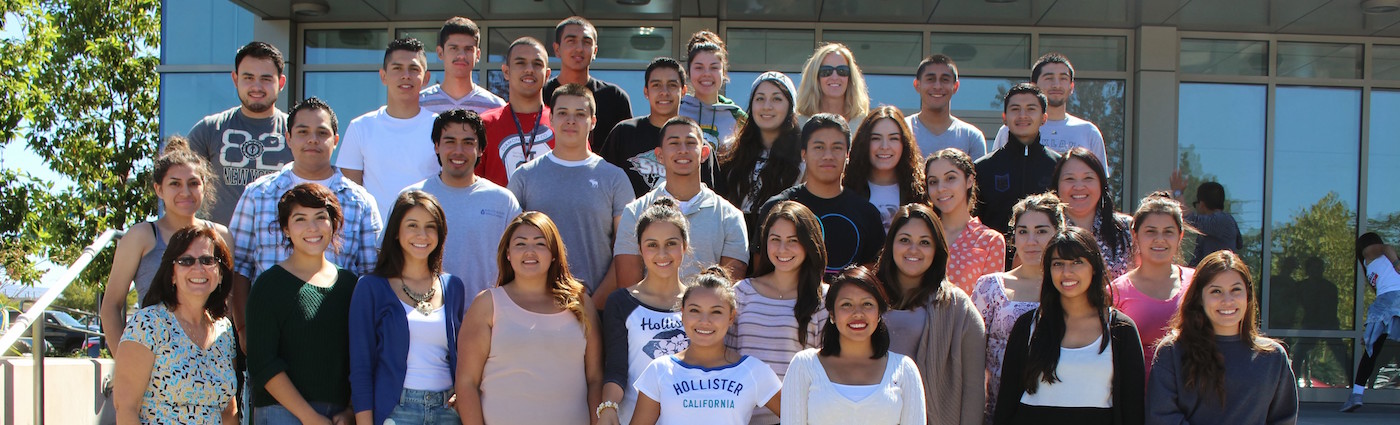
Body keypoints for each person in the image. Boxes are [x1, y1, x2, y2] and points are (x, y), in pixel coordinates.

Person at [229, 97, 383, 347]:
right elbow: (240, 266)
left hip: (337, 341)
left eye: (322, 132)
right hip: (269, 337)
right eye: (303, 132)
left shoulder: (360, 200)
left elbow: (371, 274)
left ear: (335, 139)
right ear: (288, 138)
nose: (312, 139)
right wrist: (244, 328)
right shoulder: (258, 194)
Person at [456, 212, 603, 425]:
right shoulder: (487, 304)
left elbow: (595, 379)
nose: (530, 251)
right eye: (520, 244)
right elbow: (466, 383)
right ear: (508, 253)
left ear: (554, 252)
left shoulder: (581, 303)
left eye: (540, 244)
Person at [994, 227, 1144, 425]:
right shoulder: (1027, 326)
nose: (1067, 272)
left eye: (1077, 262)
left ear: (1094, 267)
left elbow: (1133, 410)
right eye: (1058, 264)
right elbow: (1006, 404)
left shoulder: (1121, 330)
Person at [347, 191, 467, 425]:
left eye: (430, 226)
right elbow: (360, 367)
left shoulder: (454, 286)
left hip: (448, 411)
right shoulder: (370, 287)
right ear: (395, 232)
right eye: (412, 225)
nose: (422, 235)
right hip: (396, 411)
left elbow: (462, 357)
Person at [102, 137, 232, 351]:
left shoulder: (221, 236)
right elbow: (111, 306)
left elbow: (227, 306)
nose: (185, 192)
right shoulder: (142, 236)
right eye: (175, 184)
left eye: (193, 183)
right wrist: (125, 363)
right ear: (159, 189)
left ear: (204, 187)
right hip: (152, 358)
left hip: (208, 358)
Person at [246, 183, 357, 424]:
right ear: (285, 228)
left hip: (338, 416)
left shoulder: (350, 285)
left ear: (333, 224)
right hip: (281, 413)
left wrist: (350, 410)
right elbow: (262, 362)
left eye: (321, 217)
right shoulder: (269, 285)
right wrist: (309, 417)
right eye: (300, 219)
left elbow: (359, 356)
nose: (312, 227)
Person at [1147, 250, 1297, 424]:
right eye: (1216, 291)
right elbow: (1162, 416)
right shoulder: (1172, 352)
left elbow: (1283, 420)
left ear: (1248, 295)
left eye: (1236, 290)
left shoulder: (1273, 357)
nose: (1228, 300)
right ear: (1199, 298)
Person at [508, 83, 632, 294]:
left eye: (580, 114)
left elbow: (626, 249)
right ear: (552, 119)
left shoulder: (614, 178)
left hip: (595, 304)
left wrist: (596, 304)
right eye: (563, 113)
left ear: (592, 122)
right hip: (535, 304)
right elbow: (510, 246)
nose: (571, 120)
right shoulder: (525, 177)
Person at [611, 117, 748, 304]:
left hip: (706, 326)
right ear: (659, 155)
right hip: (648, 325)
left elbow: (727, 296)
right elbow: (628, 292)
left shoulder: (731, 217)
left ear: (705, 153)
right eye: (674, 143)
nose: (683, 150)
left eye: (691, 143)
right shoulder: (635, 212)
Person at [113, 224, 237, 424]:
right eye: (186, 261)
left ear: (220, 273)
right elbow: (126, 408)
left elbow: (228, 412)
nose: (198, 268)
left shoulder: (224, 330)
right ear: (171, 273)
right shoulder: (148, 324)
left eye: (207, 260)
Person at [876, 204, 985, 425]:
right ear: (891, 245)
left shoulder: (958, 307)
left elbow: (973, 389)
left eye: (924, 242)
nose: (913, 249)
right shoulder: (866, 296)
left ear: (937, 250)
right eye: (904, 240)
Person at [630, 266, 783, 425]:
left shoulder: (752, 370)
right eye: (695, 310)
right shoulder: (659, 370)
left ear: (731, 317)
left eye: (716, 312)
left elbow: (799, 416)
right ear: (682, 314)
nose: (704, 321)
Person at [402, 109, 520, 308]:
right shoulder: (412, 198)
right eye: (449, 141)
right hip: (424, 318)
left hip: (489, 319)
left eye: (468, 143)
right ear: (437, 146)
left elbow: (520, 261)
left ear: (481, 149)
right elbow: (390, 259)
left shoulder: (503, 201)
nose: (458, 151)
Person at [781, 266, 926, 425]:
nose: (858, 313)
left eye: (867, 304)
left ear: (879, 313)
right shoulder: (804, 365)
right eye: (846, 305)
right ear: (832, 315)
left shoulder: (905, 369)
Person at [730, 201, 829, 425]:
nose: (782, 249)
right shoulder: (742, 293)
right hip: (741, 417)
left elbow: (826, 371)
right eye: (775, 240)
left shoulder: (824, 299)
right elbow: (725, 355)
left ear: (809, 244)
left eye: (793, 241)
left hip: (798, 418)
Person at [971, 193, 1066, 424]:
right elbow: (970, 357)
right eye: (1023, 231)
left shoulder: (1070, 287)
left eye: (1041, 231)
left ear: (1059, 234)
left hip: (1058, 407)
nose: (1031, 241)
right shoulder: (990, 287)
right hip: (1000, 410)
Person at [600, 198, 693, 425]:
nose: (662, 253)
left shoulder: (700, 301)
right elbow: (615, 370)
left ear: (685, 245)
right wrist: (608, 407)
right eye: (652, 244)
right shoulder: (621, 302)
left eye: (671, 243)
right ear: (640, 248)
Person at [757, 114, 883, 273]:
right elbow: (762, 272)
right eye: (819, 147)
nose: (828, 156)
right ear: (804, 153)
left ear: (848, 154)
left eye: (837, 147)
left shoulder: (867, 214)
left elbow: (874, 273)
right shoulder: (775, 208)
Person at [185, 41, 292, 225]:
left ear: (281, 82)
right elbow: (178, 184)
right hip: (218, 246)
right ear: (235, 79)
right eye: (248, 78)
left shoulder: (297, 133)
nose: (256, 86)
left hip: (280, 248)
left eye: (266, 79)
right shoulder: (209, 129)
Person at [335, 38, 440, 222]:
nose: (405, 75)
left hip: (427, 238)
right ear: (383, 76)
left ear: (426, 78)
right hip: (376, 242)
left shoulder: (440, 128)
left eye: (414, 69)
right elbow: (349, 196)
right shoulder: (360, 127)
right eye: (397, 68)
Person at [600, 57, 720, 197]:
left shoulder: (696, 143)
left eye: (672, 85)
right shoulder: (624, 133)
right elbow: (602, 185)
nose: (664, 92)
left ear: (683, 91)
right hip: (632, 218)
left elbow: (713, 197)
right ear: (646, 91)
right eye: (656, 85)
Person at [717, 71, 804, 244]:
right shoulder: (730, 150)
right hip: (734, 242)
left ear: (790, 106)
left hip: (780, 245)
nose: (767, 106)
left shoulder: (803, 156)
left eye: (777, 99)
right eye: (760, 99)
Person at [1111, 192, 1194, 370]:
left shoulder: (1198, 282)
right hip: (1135, 393)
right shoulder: (1115, 291)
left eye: (1168, 232)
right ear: (1135, 235)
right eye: (1151, 231)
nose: (1159, 239)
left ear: (1180, 236)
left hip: (1190, 392)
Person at [989, 53, 1108, 173]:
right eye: (1049, 78)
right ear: (1033, 85)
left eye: (1063, 78)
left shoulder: (1089, 132)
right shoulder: (1011, 129)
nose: (1056, 85)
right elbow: (995, 171)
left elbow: (1101, 183)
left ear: (1071, 86)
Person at [973, 83, 1060, 237]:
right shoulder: (982, 168)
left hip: (1046, 256)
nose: (1022, 115)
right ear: (1004, 118)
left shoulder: (1058, 166)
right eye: (1015, 109)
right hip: (995, 257)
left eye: (1031, 109)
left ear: (1044, 118)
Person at [543, 16, 633, 148]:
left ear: (595, 51)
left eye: (586, 42)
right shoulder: (542, 94)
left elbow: (627, 149)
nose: (579, 48)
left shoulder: (614, 97)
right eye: (571, 41)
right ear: (557, 49)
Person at [478, 37, 555, 187]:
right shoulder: (485, 124)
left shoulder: (564, 123)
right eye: (520, 63)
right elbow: (471, 185)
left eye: (537, 64)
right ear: (506, 72)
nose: (529, 69)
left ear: (547, 75)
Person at [928, 148, 1006, 295]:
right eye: (933, 181)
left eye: (950, 178)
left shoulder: (990, 240)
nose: (940, 188)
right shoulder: (923, 232)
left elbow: (988, 303)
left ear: (969, 180)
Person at [1340, 232, 1400, 412]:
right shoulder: (1374, 253)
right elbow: (1387, 248)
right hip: (1393, 299)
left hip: (1385, 303)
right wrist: (1397, 263)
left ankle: (1357, 394)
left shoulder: (1369, 267)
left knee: (1371, 353)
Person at [843, 105, 928, 230]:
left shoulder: (921, 191)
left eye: (893, 138)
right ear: (864, 142)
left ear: (904, 143)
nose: (884, 146)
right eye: (876, 138)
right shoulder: (846, 188)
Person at [1054, 147, 1132, 280]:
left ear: (1101, 184)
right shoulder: (1044, 228)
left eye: (1088, 178)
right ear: (1056, 186)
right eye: (1070, 179)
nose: (1079, 187)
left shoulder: (1126, 228)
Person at [419, 17, 506, 114]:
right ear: (440, 53)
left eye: (468, 49)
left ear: (477, 55)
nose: (461, 55)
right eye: (454, 48)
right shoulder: (420, 104)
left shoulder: (495, 107)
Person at [906, 54, 986, 159]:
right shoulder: (903, 129)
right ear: (917, 85)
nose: (937, 86)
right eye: (930, 79)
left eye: (945, 80)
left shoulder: (971, 137)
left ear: (956, 86)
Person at [680, 30, 746, 152]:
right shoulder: (676, 111)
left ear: (724, 72)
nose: (706, 74)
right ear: (688, 72)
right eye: (699, 67)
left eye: (714, 67)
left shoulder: (738, 117)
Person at [1168, 173, 1243, 266]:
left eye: (1195, 204)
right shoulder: (1225, 222)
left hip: (1218, 276)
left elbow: (1189, 219)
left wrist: (1177, 193)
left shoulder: (1221, 221)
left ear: (1202, 204)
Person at [795, 43, 870, 127]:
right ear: (815, 77)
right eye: (826, 71)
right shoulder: (798, 125)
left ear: (850, 77)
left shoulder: (864, 124)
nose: (835, 77)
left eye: (842, 71)